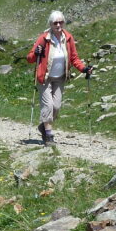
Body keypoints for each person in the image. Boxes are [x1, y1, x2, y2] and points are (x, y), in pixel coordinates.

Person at [26, 10, 91, 147]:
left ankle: (43, 127)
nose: (58, 25)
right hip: (45, 78)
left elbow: (74, 58)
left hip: (60, 78)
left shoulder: (68, 38)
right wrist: (36, 52)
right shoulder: (44, 38)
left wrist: (84, 69)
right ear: (50, 24)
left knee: (56, 106)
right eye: (55, 23)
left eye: (61, 22)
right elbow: (30, 58)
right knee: (48, 105)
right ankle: (49, 136)